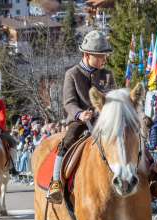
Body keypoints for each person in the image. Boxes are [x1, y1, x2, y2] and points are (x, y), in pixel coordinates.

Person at [48, 30, 115, 203]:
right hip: (80, 122)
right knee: (68, 140)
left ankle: (150, 179)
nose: (104, 60)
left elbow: (113, 97)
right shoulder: (72, 74)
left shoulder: (108, 75)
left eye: (104, 56)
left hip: (104, 121)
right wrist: (80, 114)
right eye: (100, 56)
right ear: (86, 54)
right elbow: (68, 102)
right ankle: (56, 181)